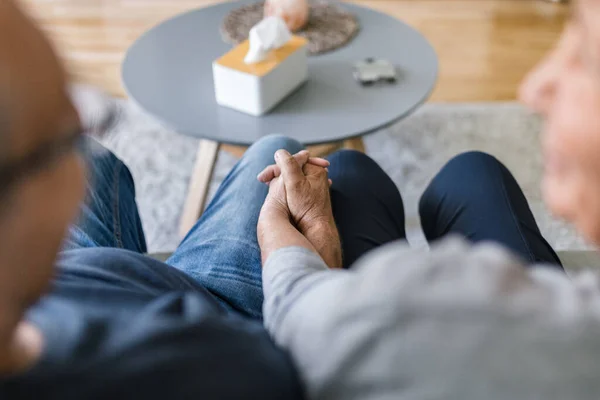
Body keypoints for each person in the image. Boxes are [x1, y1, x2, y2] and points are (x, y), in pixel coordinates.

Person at [256, 0, 600, 398]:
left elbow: (300, 316)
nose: (532, 89)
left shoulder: (415, 309)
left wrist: (286, 219)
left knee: (350, 171)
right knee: (473, 169)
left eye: (588, 58)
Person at [0, 1, 331, 398]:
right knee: (278, 149)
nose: (77, 155)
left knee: (99, 161)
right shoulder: (216, 367)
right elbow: (310, 344)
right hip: (219, 309)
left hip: (93, 278)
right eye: (68, 132)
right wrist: (313, 228)